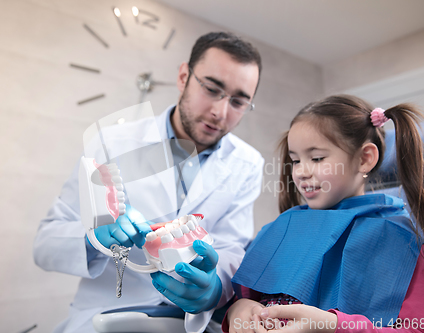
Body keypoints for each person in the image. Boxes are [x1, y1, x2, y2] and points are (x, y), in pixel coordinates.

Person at [33, 31, 264, 333]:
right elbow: (45, 244)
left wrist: (213, 290)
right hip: (107, 314)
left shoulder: (248, 163)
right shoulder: (111, 142)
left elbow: (231, 248)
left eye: (238, 101)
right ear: (183, 76)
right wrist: (93, 239)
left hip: (188, 323)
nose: (220, 112)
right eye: (211, 88)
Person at [224, 95, 424, 333]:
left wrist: (332, 326)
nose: (300, 172)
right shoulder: (284, 227)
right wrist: (238, 310)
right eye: (295, 160)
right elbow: (245, 299)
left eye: (317, 158)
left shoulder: (399, 240)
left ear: (364, 158)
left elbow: (422, 329)